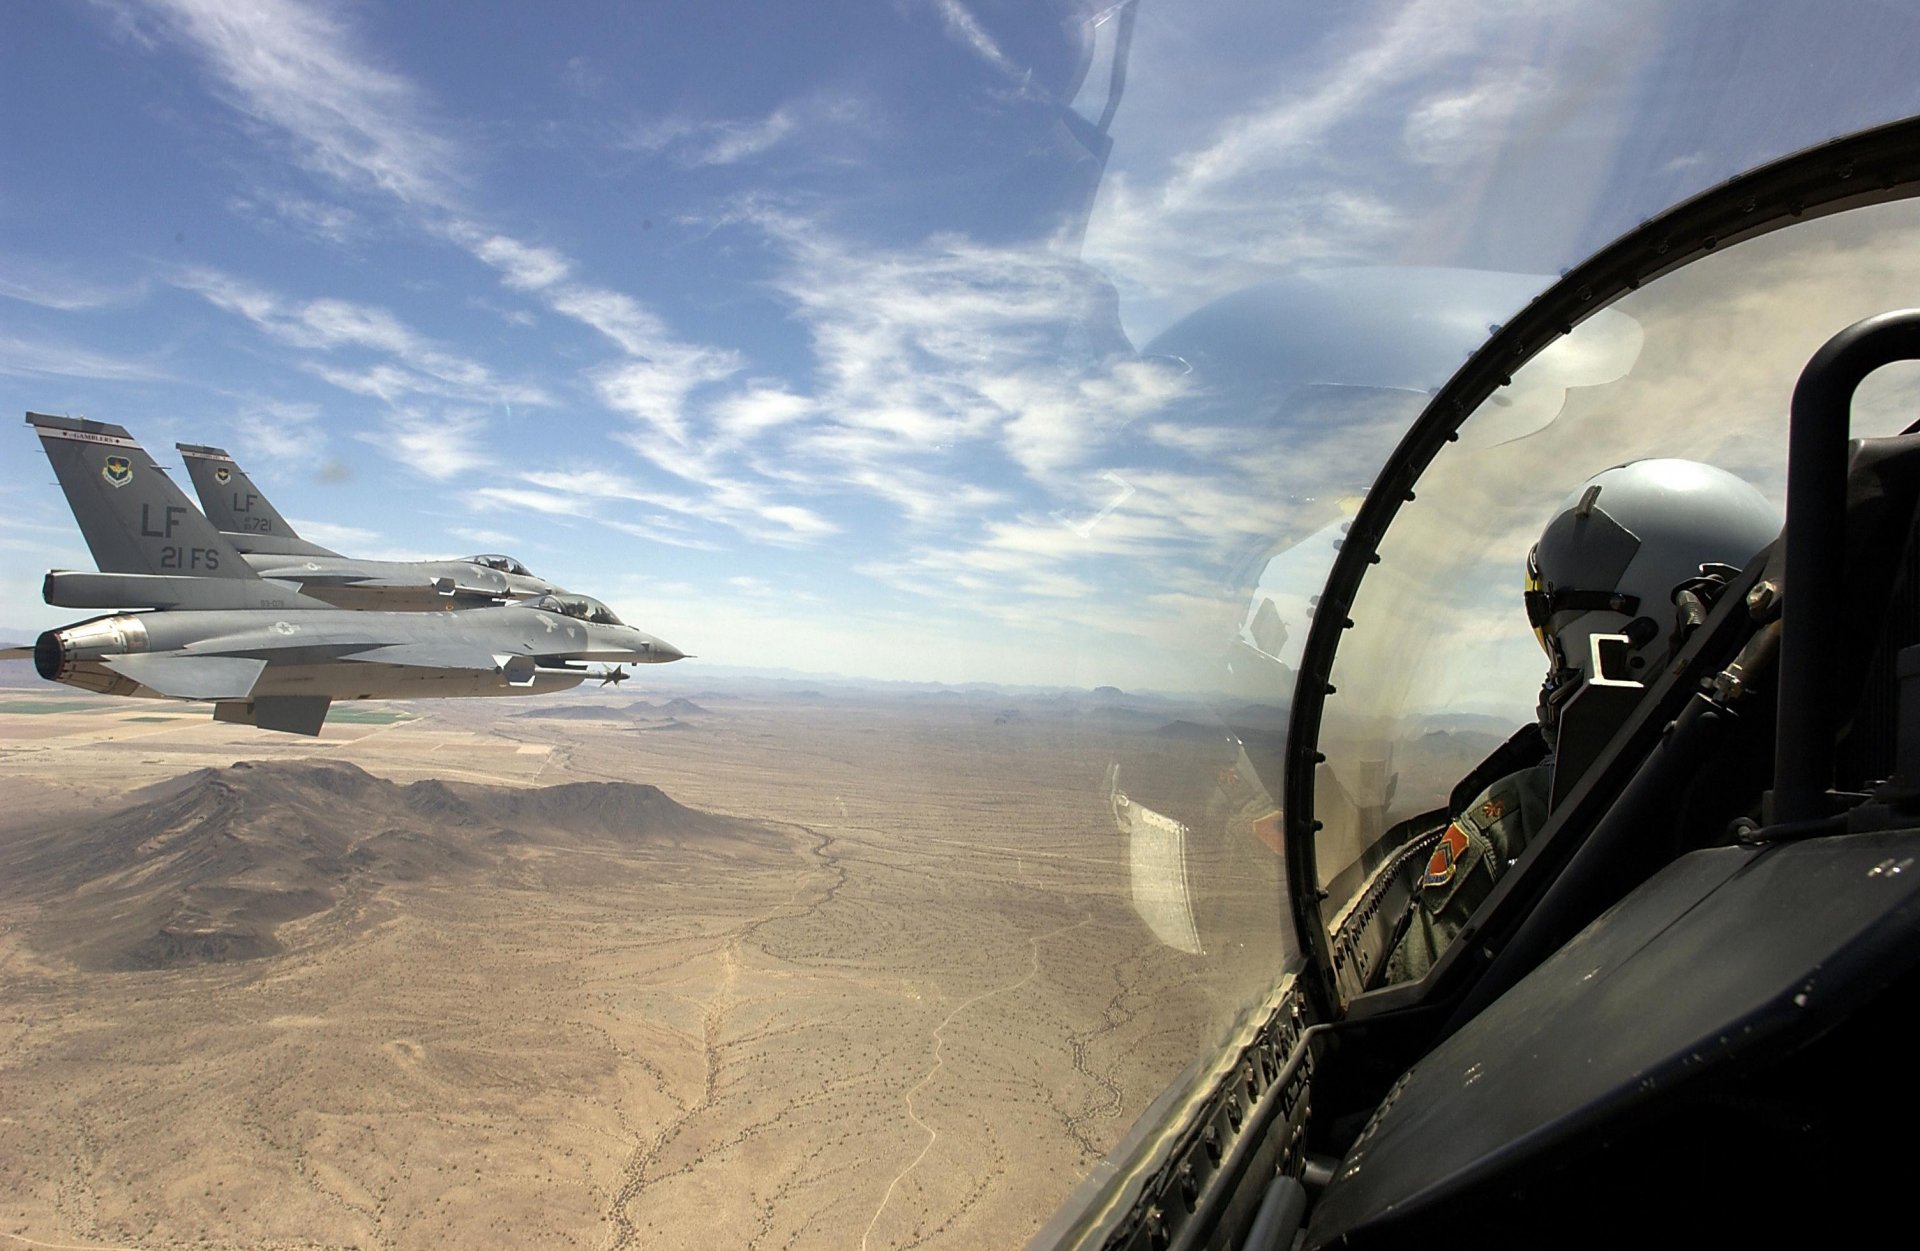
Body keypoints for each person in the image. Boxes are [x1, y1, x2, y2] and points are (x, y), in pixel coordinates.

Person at [1386, 458, 1782, 982]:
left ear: (1638, 628)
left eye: (1555, 633)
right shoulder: (1796, 774)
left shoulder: (1522, 818)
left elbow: (1399, 1021)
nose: (1554, 662)